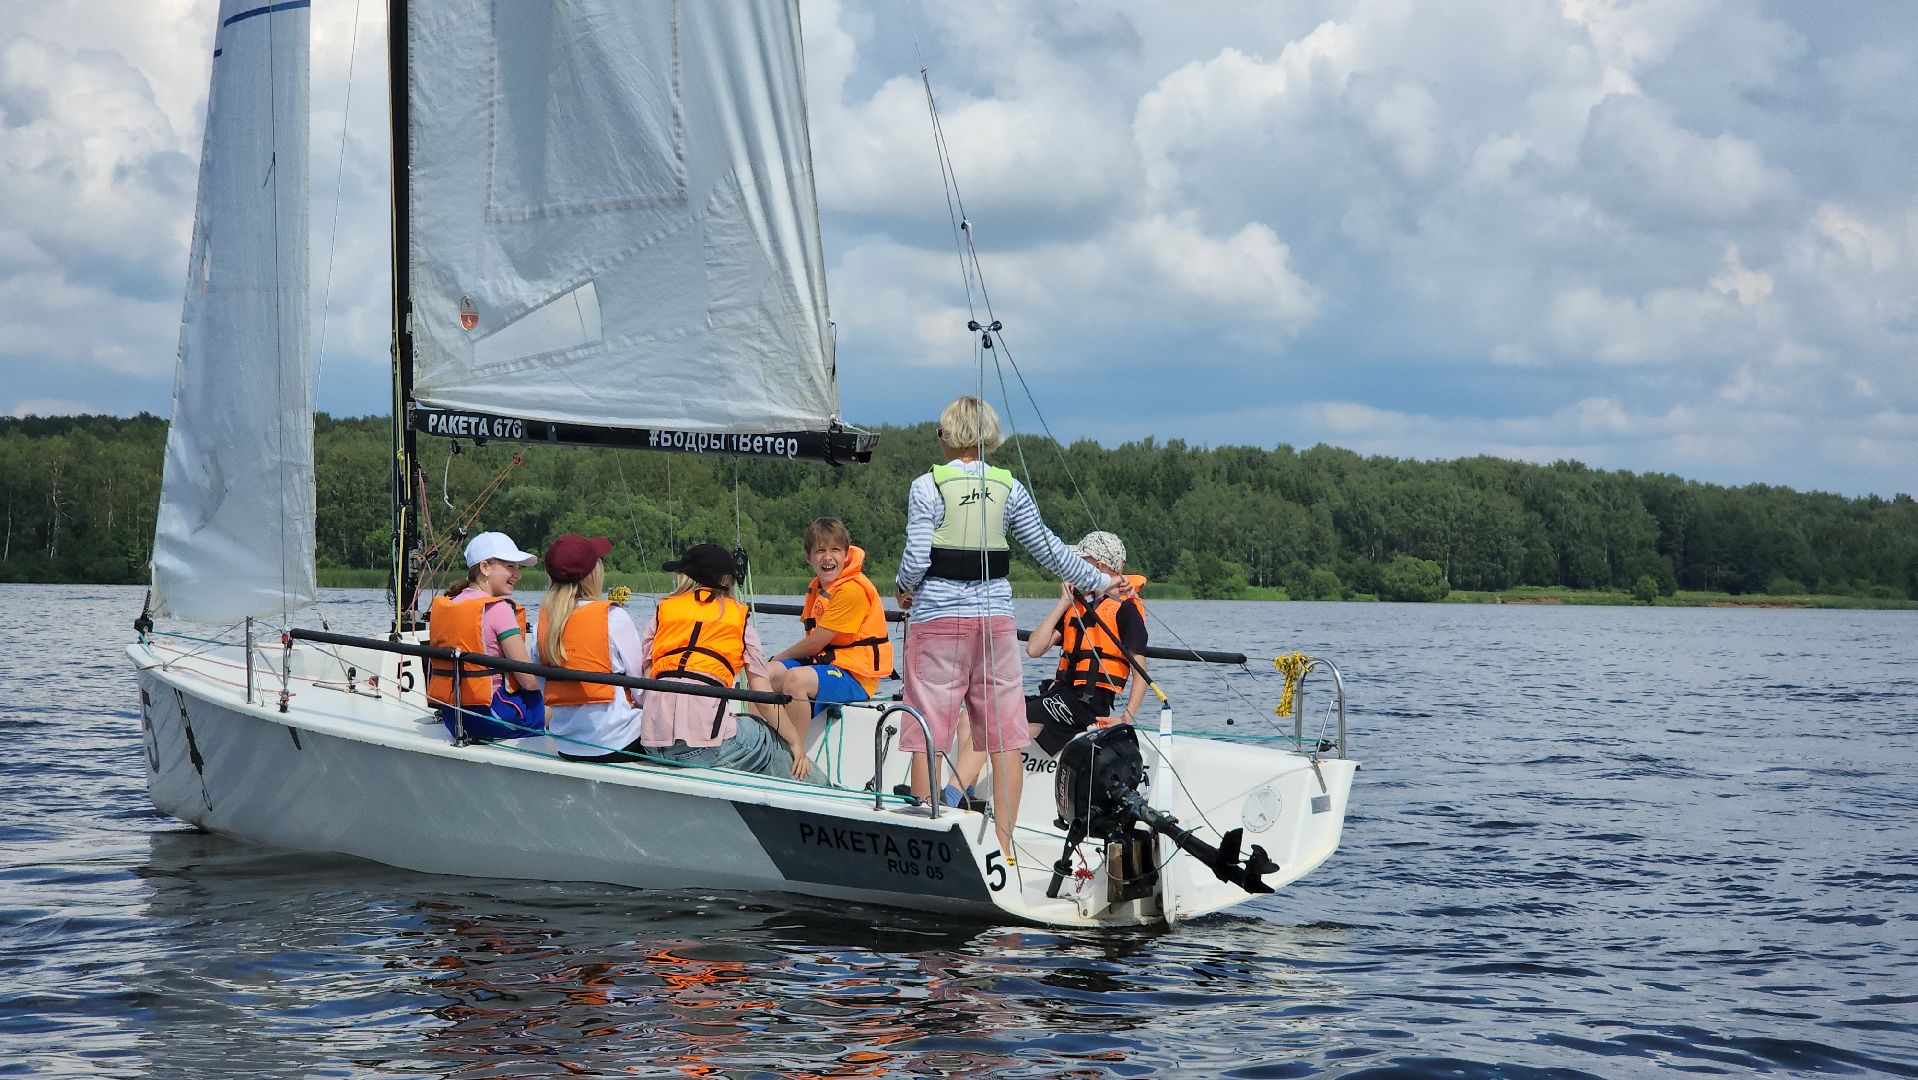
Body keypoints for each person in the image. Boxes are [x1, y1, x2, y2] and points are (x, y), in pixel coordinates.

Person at [894, 396, 1134, 863]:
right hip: (996, 624)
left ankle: (928, 839)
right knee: (1004, 736)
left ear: (945, 437)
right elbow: (1052, 553)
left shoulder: (926, 486)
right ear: (990, 439)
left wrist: (903, 588)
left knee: (930, 731)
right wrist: (1105, 582)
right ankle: (1004, 848)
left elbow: (916, 560)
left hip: (938, 622)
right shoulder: (1010, 488)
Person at [638, 543, 819, 783]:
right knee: (765, 736)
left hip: (652, 743)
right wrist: (795, 741)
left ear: (688, 579)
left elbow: (645, 676)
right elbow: (762, 696)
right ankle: (828, 794)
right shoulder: (740, 621)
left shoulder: (663, 613)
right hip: (702, 748)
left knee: (742, 726)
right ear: (729, 581)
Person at [768, 517, 894, 746]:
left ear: (846, 554)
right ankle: (762, 742)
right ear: (808, 556)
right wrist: (768, 664)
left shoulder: (851, 591)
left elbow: (816, 643)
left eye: (835, 550)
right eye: (820, 550)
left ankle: (795, 751)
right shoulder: (820, 587)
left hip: (856, 677)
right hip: (826, 665)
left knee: (795, 679)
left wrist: (777, 656)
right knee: (764, 674)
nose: (828, 557)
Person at [1026, 531, 1149, 757]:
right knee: (972, 718)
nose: (1076, 567)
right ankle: (964, 790)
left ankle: (954, 793)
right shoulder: (1079, 606)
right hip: (1060, 695)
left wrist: (1126, 718)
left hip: (1087, 705)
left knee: (1000, 727)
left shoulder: (1126, 608)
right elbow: (1033, 649)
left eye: (1082, 562)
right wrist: (1063, 602)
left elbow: (1140, 671)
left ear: (1098, 567)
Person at [532, 533, 650, 763]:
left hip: (567, 745)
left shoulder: (541, 626)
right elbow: (641, 688)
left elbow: (542, 687)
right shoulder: (613, 618)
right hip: (619, 742)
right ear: (593, 574)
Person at [426, 531, 545, 742]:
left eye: (518, 567)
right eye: (510, 566)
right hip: (491, 717)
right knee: (563, 705)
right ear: (485, 568)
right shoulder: (498, 609)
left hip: (454, 716)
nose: (518, 574)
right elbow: (529, 681)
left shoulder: (451, 603)